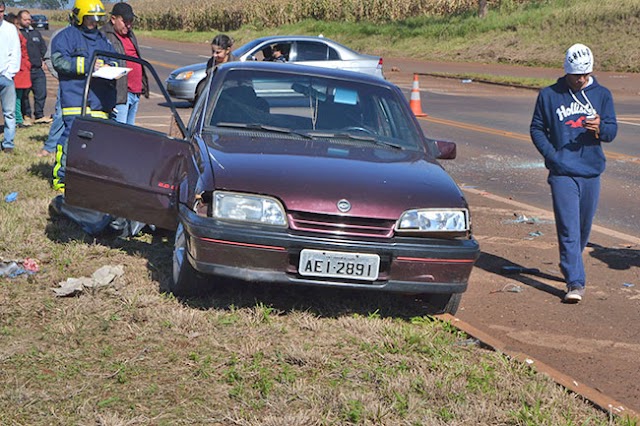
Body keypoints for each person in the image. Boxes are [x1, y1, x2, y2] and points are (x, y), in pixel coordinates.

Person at [530, 43, 618, 303]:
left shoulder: (602, 95)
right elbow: (536, 129)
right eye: (576, 75)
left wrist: (600, 127)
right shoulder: (549, 95)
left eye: (585, 74)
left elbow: (612, 133)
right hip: (562, 172)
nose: (581, 79)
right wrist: (553, 156)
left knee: (582, 229)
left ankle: (570, 264)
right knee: (568, 227)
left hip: (591, 171)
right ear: (566, 71)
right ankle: (575, 282)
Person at [50, 0, 116, 191]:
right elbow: (59, 61)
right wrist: (88, 66)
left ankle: (90, 179)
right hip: (76, 99)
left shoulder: (103, 39)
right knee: (71, 140)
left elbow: (113, 59)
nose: (94, 23)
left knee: (99, 143)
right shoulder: (66, 37)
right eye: (90, 19)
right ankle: (61, 179)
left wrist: (110, 66)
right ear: (79, 17)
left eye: (97, 19)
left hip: (100, 101)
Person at [101, 2, 148, 125]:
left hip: (135, 92)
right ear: (113, 19)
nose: (128, 25)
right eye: (125, 21)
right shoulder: (104, 36)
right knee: (120, 133)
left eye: (130, 21)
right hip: (120, 94)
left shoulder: (130, 35)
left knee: (129, 132)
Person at [38, 20, 69, 157]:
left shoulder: (94, 35)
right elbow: (49, 59)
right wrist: (60, 76)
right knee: (61, 115)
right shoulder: (60, 34)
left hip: (90, 85)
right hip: (67, 84)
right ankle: (50, 146)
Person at [17, 10, 51, 126]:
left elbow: (43, 49)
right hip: (24, 70)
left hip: (38, 69)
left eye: (29, 19)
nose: (28, 21)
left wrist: (45, 60)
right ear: (19, 20)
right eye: (25, 19)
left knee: (41, 92)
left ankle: (39, 115)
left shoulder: (36, 33)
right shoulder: (18, 33)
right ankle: (26, 115)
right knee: (24, 95)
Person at [0, 2, 21, 154]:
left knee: (9, 112)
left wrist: (9, 73)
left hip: (5, 76)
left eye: (1, 11)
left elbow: (16, 52)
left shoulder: (10, 28)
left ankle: (8, 144)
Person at [11, 12, 32, 131]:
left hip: (22, 69)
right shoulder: (15, 35)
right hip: (18, 69)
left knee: (18, 96)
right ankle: (17, 119)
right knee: (15, 97)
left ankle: (18, 119)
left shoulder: (17, 34)